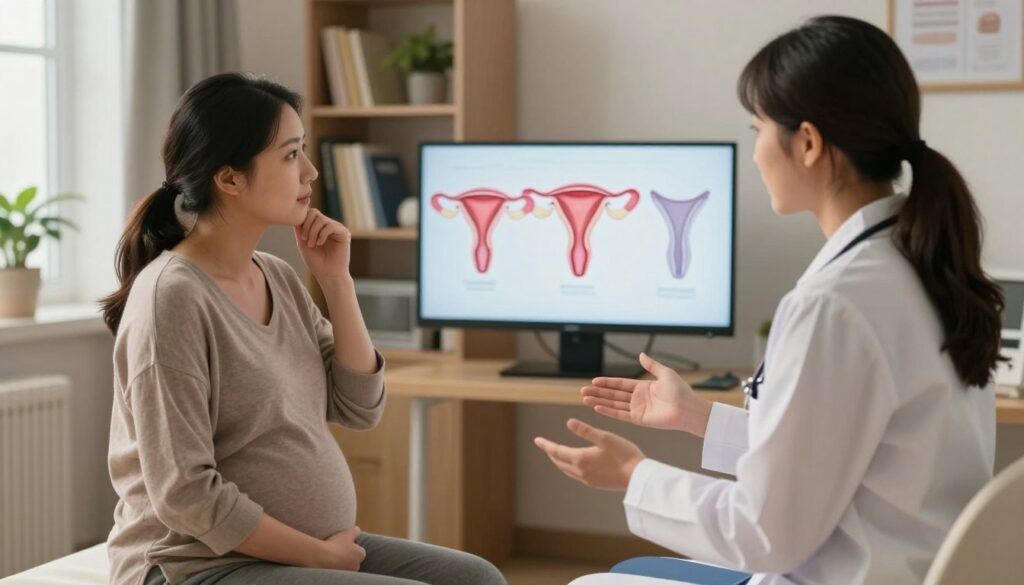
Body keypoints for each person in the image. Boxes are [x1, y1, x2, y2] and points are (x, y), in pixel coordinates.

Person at [535, 15, 1003, 585]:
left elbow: (766, 534)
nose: (755, 152)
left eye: (757, 128)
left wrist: (634, 475)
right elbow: (837, 458)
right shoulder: (926, 266)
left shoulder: (834, 304)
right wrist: (697, 417)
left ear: (807, 143)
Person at [100, 73, 506, 585]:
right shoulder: (172, 298)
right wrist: (319, 557)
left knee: (478, 580)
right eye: (291, 155)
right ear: (229, 178)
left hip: (295, 551)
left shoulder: (277, 275)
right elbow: (184, 493)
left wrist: (336, 281)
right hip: (196, 565)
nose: (310, 172)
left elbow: (360, 407)